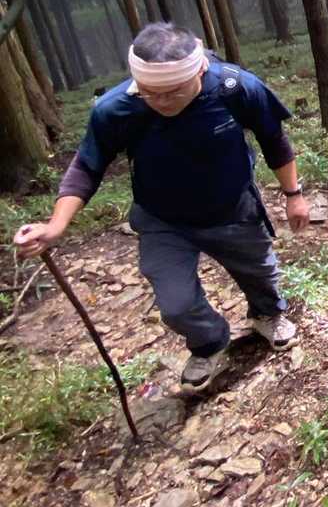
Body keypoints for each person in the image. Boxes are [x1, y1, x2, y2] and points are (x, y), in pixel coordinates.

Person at [13, 22, 310, 394]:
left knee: (260, 274)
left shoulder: (236, 88)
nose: (162, 102)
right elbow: (87, 166)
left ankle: (266, 314)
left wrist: (293, 194)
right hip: (162, 220)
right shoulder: (116, 109)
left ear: (199, 70)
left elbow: (273, 139)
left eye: (174, 91)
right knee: (176, 305)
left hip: (233, 208)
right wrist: (56, 226)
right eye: (150, 93)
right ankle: (209, 342)